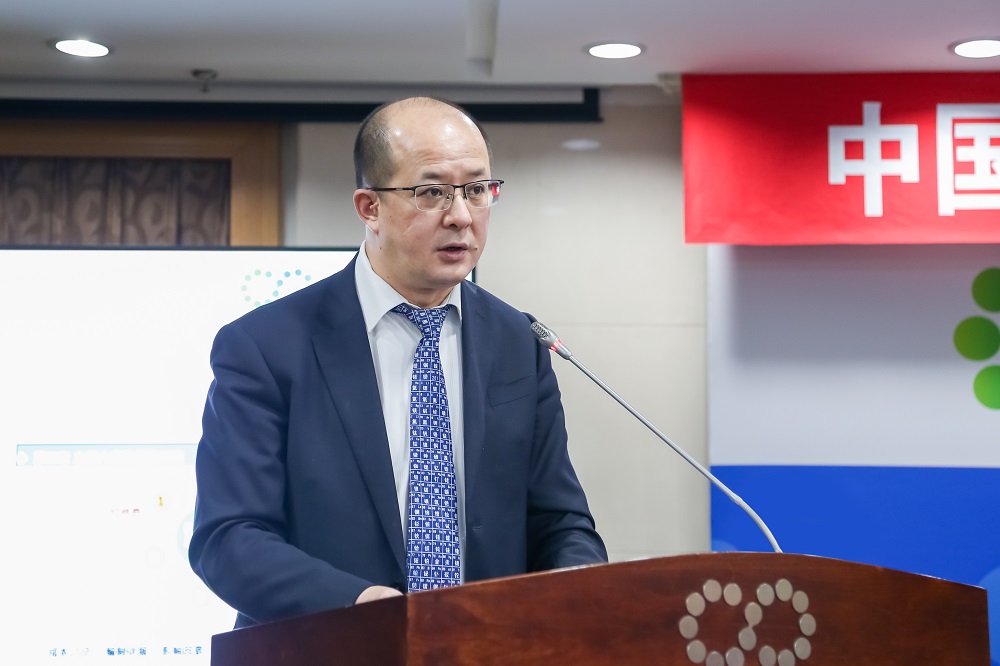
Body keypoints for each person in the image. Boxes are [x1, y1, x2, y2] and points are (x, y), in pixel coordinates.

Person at [188, 96, 607, 628]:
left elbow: (560, 521)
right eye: (432, 193)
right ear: (369, 207)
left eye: (477, 190)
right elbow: (228, 538)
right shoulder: (266, 346)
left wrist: (579, 586)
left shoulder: (517, 341)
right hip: (328, 647)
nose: (461, 216)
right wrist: (364, 609)